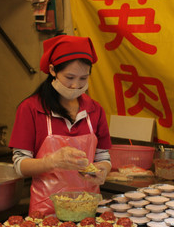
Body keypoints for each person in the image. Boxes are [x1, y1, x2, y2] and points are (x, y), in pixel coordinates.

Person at [9, 35, 112, 215]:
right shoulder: (31, 109)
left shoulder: (95, 110)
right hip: (46, 212)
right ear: (53, 70)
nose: (75, 85)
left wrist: (103, 170)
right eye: (70, 77)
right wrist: (53, 161)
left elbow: (103, 157)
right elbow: (19, 166)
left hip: (87, 210)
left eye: (83, 78)